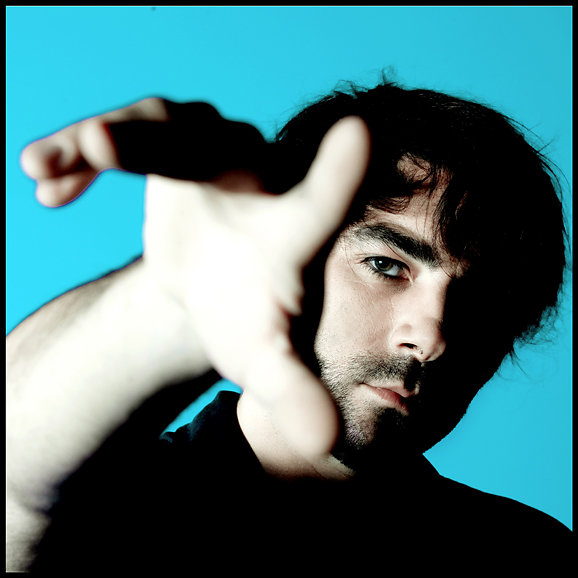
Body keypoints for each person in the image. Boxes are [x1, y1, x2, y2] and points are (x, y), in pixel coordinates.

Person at [6, 78, 572, 573]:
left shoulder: (535, 554)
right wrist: (169, 303)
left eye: (481, 298)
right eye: (386, 265)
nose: (430, 338)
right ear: (298, 258)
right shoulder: (106, 518)